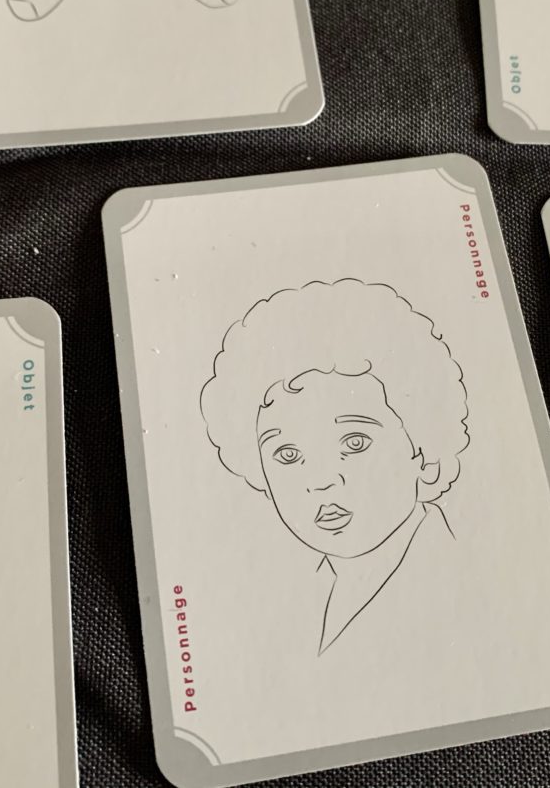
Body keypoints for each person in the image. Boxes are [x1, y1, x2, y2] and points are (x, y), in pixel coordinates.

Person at [200, 279, 470, 654]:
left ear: (424, 455)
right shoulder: (288, 598)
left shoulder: (459, 578)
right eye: (287, 455)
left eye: (354, 443)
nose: (321, 480)